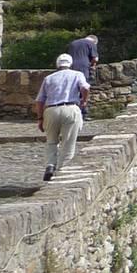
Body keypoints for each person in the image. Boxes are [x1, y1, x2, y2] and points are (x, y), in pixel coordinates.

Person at [34, 53, 90, 182]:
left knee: (51, 141)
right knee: (68, 141)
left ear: (57, 64)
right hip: (70, 108)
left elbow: (40, 100)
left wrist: (40, 118)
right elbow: (85, 87)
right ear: (70, 63)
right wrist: (84, 100)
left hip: (51, 110)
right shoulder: (77, 74)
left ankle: (50, 165)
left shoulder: (49, 78)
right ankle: (63, 169)